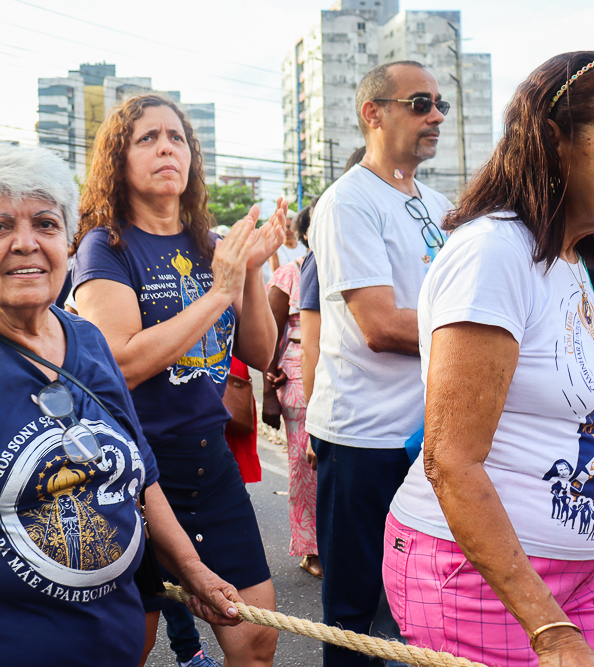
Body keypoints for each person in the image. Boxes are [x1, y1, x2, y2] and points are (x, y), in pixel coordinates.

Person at [0, 141, 244, 666]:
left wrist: (192, 569)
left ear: (68, 243)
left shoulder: (90, 341)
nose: (26, 243)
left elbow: (141, 477)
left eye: (46, 224)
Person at [384, 51, 594, 667]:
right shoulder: (495, 252)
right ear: (553, 138)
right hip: (482, 581)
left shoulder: (572, 262)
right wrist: (549, 630)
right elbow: (450, 460)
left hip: (575, 572)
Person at [70, 93, 284, 667]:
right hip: (133, 476)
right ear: (119, 160)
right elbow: (121, 362)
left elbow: (259, 351)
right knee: (125, 648)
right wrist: (219, 292)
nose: (167, 147)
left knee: (256, 640)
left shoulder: (211, 244)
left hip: (210, 464)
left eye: (177, 138)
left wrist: (251, 270)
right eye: (148, 138)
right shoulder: (105, 246)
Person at [306, 61, 452, 667]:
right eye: (420, 103)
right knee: (356, 613)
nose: (435, 116)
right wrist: (476, 341)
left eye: (440, 104)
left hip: (431, 438)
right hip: (364, 439)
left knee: (424, 604)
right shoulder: (348, 202)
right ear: (374, 113)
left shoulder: (440, 205)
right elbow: (380, 325)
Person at [265, 203, 320, 579]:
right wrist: (268, 394)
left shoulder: (352, 269)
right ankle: (310, 547)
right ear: (305, 234)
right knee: (304, 467)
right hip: (298, 377)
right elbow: (269, 335)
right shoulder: (290, 273)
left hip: (344, 377)